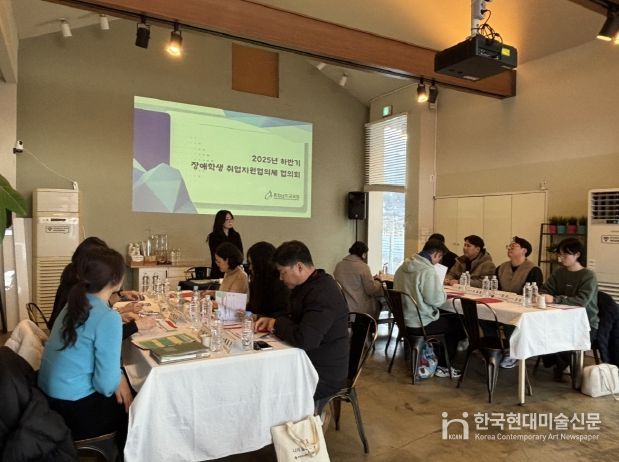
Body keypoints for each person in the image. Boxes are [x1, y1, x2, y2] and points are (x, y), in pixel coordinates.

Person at [38, 247, 133, 450]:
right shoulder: (108, 317)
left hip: (49, 397)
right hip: (73, 409)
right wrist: (118, 377)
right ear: (116, 280)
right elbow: (105, 386)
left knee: (125, 377)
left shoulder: (74, 303)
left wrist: (118, 375)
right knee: (137, 398)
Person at [254, 241, 349, 411]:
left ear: (299, 267)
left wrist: (276, 323)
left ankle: (311, 422)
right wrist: (272, 321)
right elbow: (293, 318)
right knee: (262, 380)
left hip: (323, 372)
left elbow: (306, 339)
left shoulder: (322, 292)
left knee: (273, 391)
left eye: (283, 272)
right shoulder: (307, 286)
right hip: (308, 360)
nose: (280, 278)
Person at [49, 237, 153, 338]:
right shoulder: (79, 288)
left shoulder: (75, 277)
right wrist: (136, 325)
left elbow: (92, 321)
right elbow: (105, 333)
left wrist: (120, 304)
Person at [393, 239, 465, 378]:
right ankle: (443, 366)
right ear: (436, 254)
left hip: (403, 320)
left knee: (447, 321)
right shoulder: (427, 270)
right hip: (420, 322)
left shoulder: (402, 266)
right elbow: (435, 300)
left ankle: (435, 356)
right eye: (439, 258)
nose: (438, 262)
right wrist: (443, 293)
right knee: (458, 325)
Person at [541, 237, 598, 381]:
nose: (561, 258)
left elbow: (581, 301)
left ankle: (563, 364)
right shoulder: (559, 273)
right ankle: (559, 363)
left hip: (585, 323)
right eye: (560, 254)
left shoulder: (588, 276)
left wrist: (555, 299)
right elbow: (545, 289)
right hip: (561, 319)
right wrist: (544, 295)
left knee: (560, 337)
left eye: (565, 255)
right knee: (541, 331)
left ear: (577, 255)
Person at [333, 241, 383, 317]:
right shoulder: (363, 267)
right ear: (363, 254)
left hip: (344, 308)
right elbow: (370, 289)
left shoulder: (339, 265)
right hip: (361, 308)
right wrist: (378, 281)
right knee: (381, 303)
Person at [247, 241, 290, 317]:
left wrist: (258, 317)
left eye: (252, 264)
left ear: (261, 264)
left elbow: (282, 313)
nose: (250, 268)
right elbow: (252, 307)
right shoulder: (256, 281)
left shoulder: (281, 283)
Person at [207, 210, 243, 279]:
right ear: (220, 221)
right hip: (219, 270)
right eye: (227, 219)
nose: (230, 221)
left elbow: (240, 253)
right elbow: (215, 254)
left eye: (231, 219)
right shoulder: (213, 236)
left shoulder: (236, 235)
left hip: (234, 269)